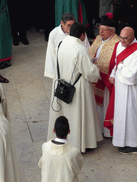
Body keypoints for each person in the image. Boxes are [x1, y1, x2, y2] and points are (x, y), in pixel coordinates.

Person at [46, 23, 103, 153]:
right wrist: (95, 68)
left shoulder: (61, 44)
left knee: (65, 114)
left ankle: (63, 140)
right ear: (82, 35)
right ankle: (81, 143)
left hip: (62, 86)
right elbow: (89, 72)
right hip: (77, 88)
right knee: (77, 116)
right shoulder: (80, 48)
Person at [108, 27, 137, 154]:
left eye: (125, 39)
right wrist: (113, 73)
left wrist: (121, 67)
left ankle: (135, 144)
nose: (122, 41)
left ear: (132, 38)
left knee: (133, 117)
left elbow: (132, 76)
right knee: (123, 116)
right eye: (121, 37)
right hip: (122, 91)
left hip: (134, 92)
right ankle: (123, 140)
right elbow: (117, 62)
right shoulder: (120, 45)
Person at [89, 12, 120, 137]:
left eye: (104, 30)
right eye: (100, 29)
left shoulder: (117, 43)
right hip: (96, 77)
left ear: (112, 31)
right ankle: (98, 129)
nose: (101, 32)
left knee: (106, 104)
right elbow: (90, 53)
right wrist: (92, 60)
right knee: (96, 106)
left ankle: (107, 131)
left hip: (107, 81)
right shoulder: (97, 39)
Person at [44, 13, 90, 79]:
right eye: (69, 25)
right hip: (61, 66)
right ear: (62, 23)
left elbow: (86, 47)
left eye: (72, 25)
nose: (71, 28)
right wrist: (51, 73)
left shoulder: (79, 31)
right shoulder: (54, 33)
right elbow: (50, 53)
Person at [39, 116, 83, 182]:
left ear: (54, 130)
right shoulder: (73, 152)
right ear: (69, 131)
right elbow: (77, 169)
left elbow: (40, 164)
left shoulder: (45, 147)